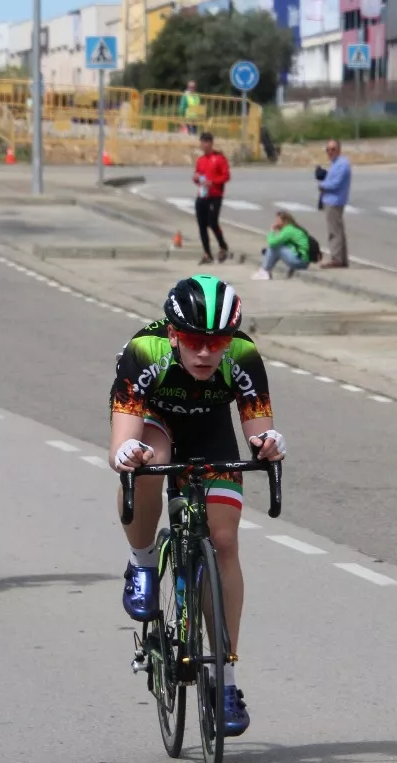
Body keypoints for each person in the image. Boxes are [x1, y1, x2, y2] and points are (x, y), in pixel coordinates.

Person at [110, 276, 285, 739]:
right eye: (193, 341)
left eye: (216, 342)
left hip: (211, 431)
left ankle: (225, 680)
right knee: (151, 461)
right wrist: (128, 455)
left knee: (224, 541)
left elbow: (259, 430)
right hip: (155, 423)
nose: (206, 352)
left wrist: (268, 444)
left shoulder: (243, 355)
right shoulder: (144, 351)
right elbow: (120, 443)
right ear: (173, 334)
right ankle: (142, 563)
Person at [193, 132, 231, 264]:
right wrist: (196, 178)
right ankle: (207, 253)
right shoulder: (200, 160)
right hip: (202, 195)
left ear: (210, 143)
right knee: (202, 224)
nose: (203, 145)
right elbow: (198, 176)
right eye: (202, 143)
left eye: (206, 142)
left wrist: (213, 182)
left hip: (215, 195)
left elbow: (226, 176)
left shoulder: (219, 158)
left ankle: (223, 245)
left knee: (212, 222)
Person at [316, 140, 352, 268]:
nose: (330, 152)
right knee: (338, 230)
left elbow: (336, 183)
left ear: (339, 150)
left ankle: (336, 258)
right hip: (331, 199)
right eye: (328, 149)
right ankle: (342, 259)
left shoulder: (342, 164)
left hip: (334, 201)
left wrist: (322, 185)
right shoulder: (335, 164)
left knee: (334, 231)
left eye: (333, 149)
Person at [252, 210, 311, 280]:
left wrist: (272, 231)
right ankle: (265, 270)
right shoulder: (292, 228)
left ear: (284, 221)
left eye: (278, 220)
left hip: (299, 261)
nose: (276, 222)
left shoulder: (288, 230)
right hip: (304, 261)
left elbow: (272, 242)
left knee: (275, 247)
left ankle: (265, 271)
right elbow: (284, 243)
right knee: (274, 248)